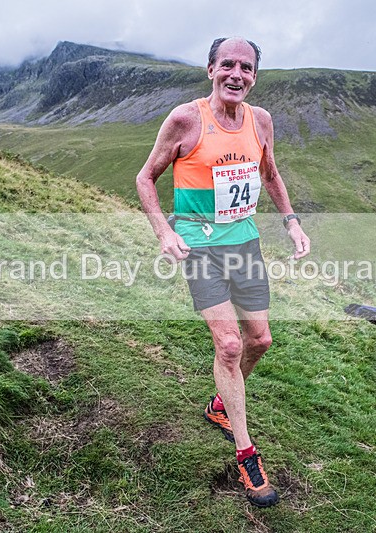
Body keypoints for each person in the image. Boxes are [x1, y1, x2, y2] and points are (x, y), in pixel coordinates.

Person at [136, 36, 310, 508]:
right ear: (210, 69)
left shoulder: (261, 121)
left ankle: (219, 405)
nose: (237, 74)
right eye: (228, 65)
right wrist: (163, 232)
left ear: (255, 77)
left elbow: (270, 175)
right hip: (199, 246)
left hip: (244, 242)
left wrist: (291, 221)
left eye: (247, 68)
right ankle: (247, 455)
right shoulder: (185, 119)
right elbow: (145, 177)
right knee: (229, 345)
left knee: (260, 341)